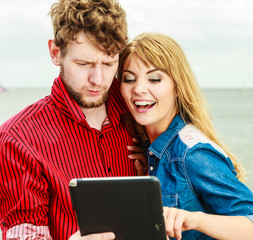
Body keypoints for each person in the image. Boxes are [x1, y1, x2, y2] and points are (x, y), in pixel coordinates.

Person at [118, 32, 253, 240]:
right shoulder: (153, 151)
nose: (138, 89)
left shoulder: (192, 154)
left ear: (177, 86)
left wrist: (195, 220)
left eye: (154, 78)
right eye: (129, 79)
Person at [0, 0, 146, 240]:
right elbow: (22, 232)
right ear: (56, 53)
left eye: (109, 63)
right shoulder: (17, 139)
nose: (98, 79)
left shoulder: (141, 112)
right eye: (84, 64)